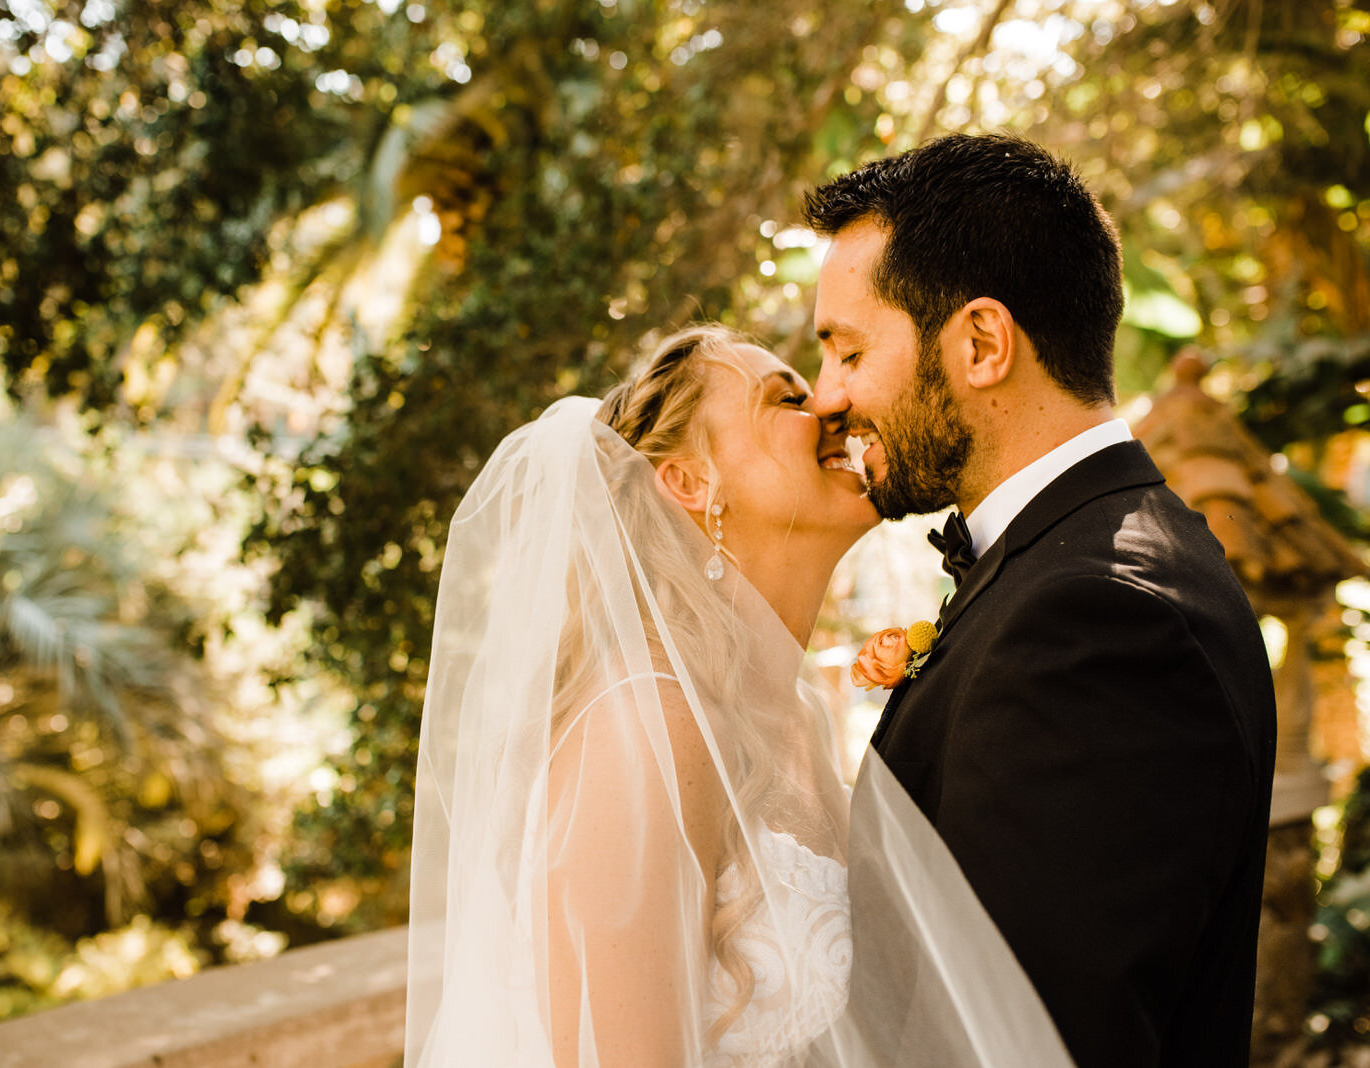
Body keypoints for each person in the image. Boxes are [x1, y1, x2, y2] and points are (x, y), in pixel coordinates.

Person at [404, 325, 1076, 1066]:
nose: (828, 403)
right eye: (785, 397)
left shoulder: (795, 718)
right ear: (689, 481)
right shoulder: (644, 725)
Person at [805, 132, 1277, 1068]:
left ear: (982, 344)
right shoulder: (1084, 563)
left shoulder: (1101, 618)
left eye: (850, 351)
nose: (828, 397)